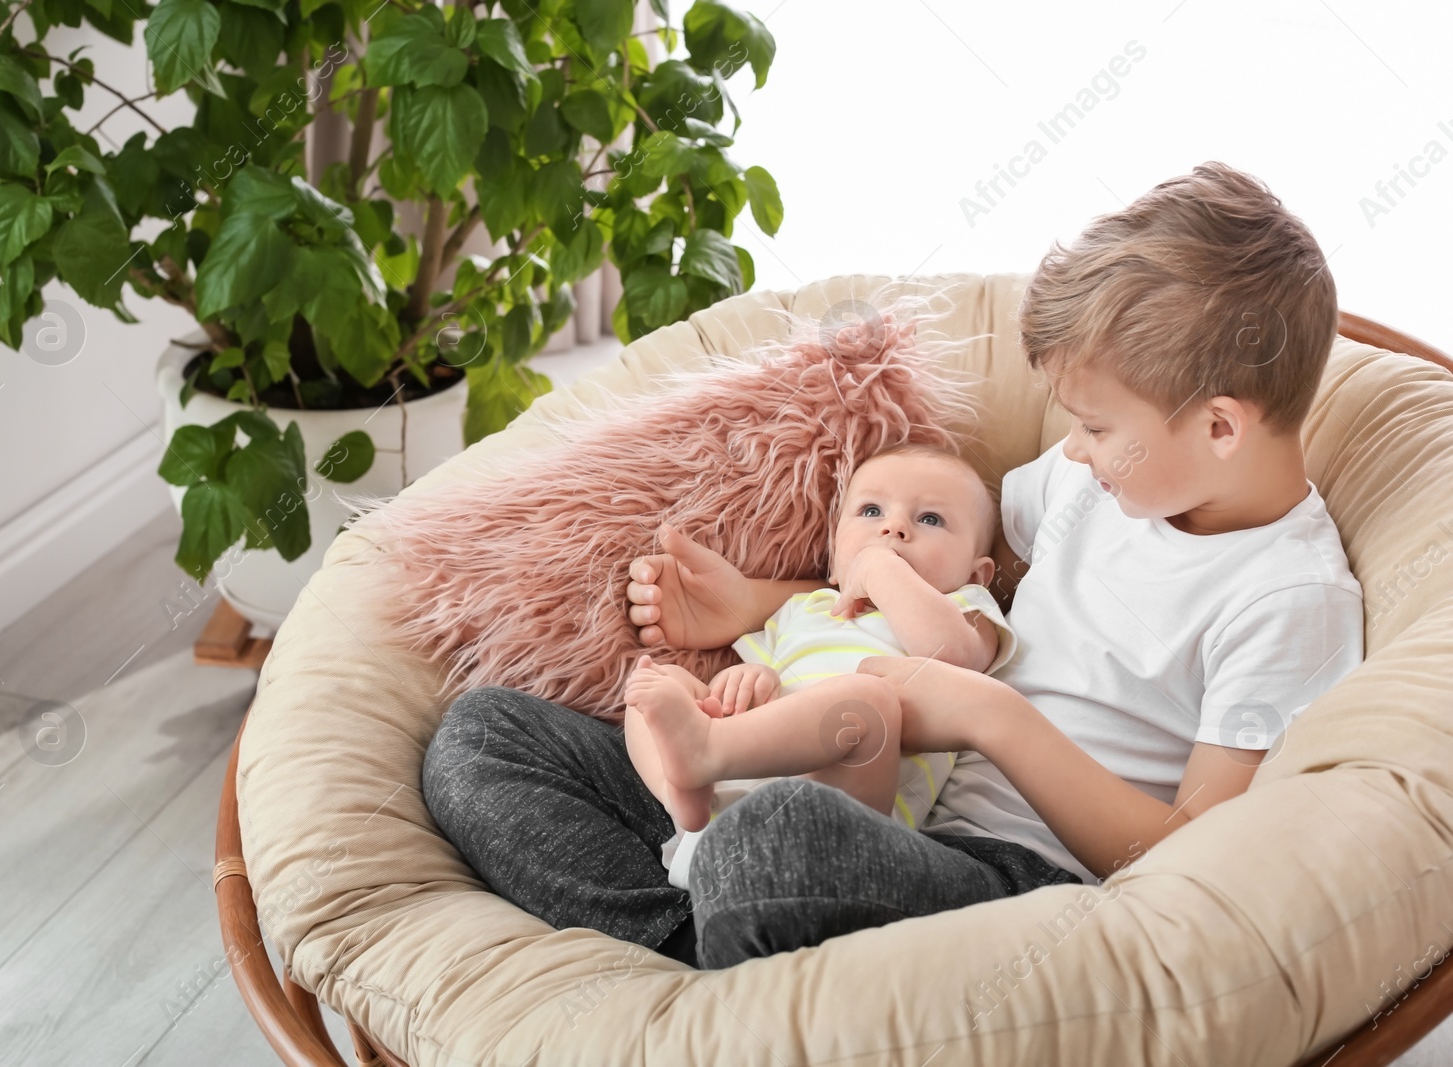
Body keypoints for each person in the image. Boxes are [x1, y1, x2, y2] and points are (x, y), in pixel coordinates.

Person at [421, 161, 1363, 971]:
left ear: (1221, 426)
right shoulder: (1101, 485)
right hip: (849, 774)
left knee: (778, 843)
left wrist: (991, 717)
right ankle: (686, 942)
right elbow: (932, 574)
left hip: (1006, 876)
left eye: (1096, 427)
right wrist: (762, 602)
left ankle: (706, 927)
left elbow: (1194, 855)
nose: (1068, 451)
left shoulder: (1287, 598)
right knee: (484, 736)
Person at [622, 442, 1018, 893]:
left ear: (977, 574)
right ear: (833, 557)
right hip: (724, 814)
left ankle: (704, 754)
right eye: (871, 511)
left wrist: (876, 566)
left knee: (868, 701)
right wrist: (745, 681)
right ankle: (679, 792)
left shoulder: (965, 609)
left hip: (837, 827)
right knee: (658, 680)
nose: (893, 528)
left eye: (930, 519)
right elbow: (746, 691)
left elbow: (953, 656)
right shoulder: (805, 609)